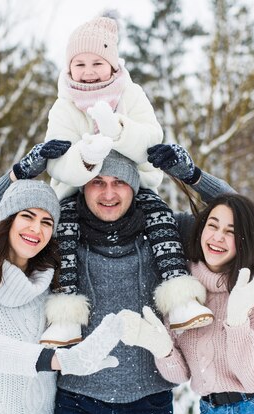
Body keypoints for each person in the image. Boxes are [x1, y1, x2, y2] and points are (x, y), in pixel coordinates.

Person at [0, 144, 235, 414]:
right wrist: (21, 172)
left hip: (151, 400)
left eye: (119, 181)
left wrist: (193, 176)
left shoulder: (166, 229)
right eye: (98, 182)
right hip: (76, 400)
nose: (108, 193)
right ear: (83, 186)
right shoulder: (57, 233)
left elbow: (242, 218)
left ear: (134, 186)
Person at [34, 14, 214, 346]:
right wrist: (87, 156)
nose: (88, 71)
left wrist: (116, 129)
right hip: (77, 187)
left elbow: (151, 138)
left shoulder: (131, 94)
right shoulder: (63, 106)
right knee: (65, 235)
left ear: (114, 65)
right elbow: (57, 160)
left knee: (160, 220)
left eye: (97, 63)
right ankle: (65, 319)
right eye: (80, 64)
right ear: (69, 68)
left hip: (135, 181)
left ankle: (179, 298)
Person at [0, 179, 124, 414]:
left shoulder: (54, 287)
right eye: (27, 216)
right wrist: (59, 360)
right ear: (7, 221)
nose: (36, 229)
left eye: (46, 222)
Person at [119, 193, 254, 414]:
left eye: (230, 232)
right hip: (210, 409)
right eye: (212, 226)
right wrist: (162, 349)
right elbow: (181, 375)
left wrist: (237, 322)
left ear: (248, 239)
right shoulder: (181, 284)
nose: (217, 237)